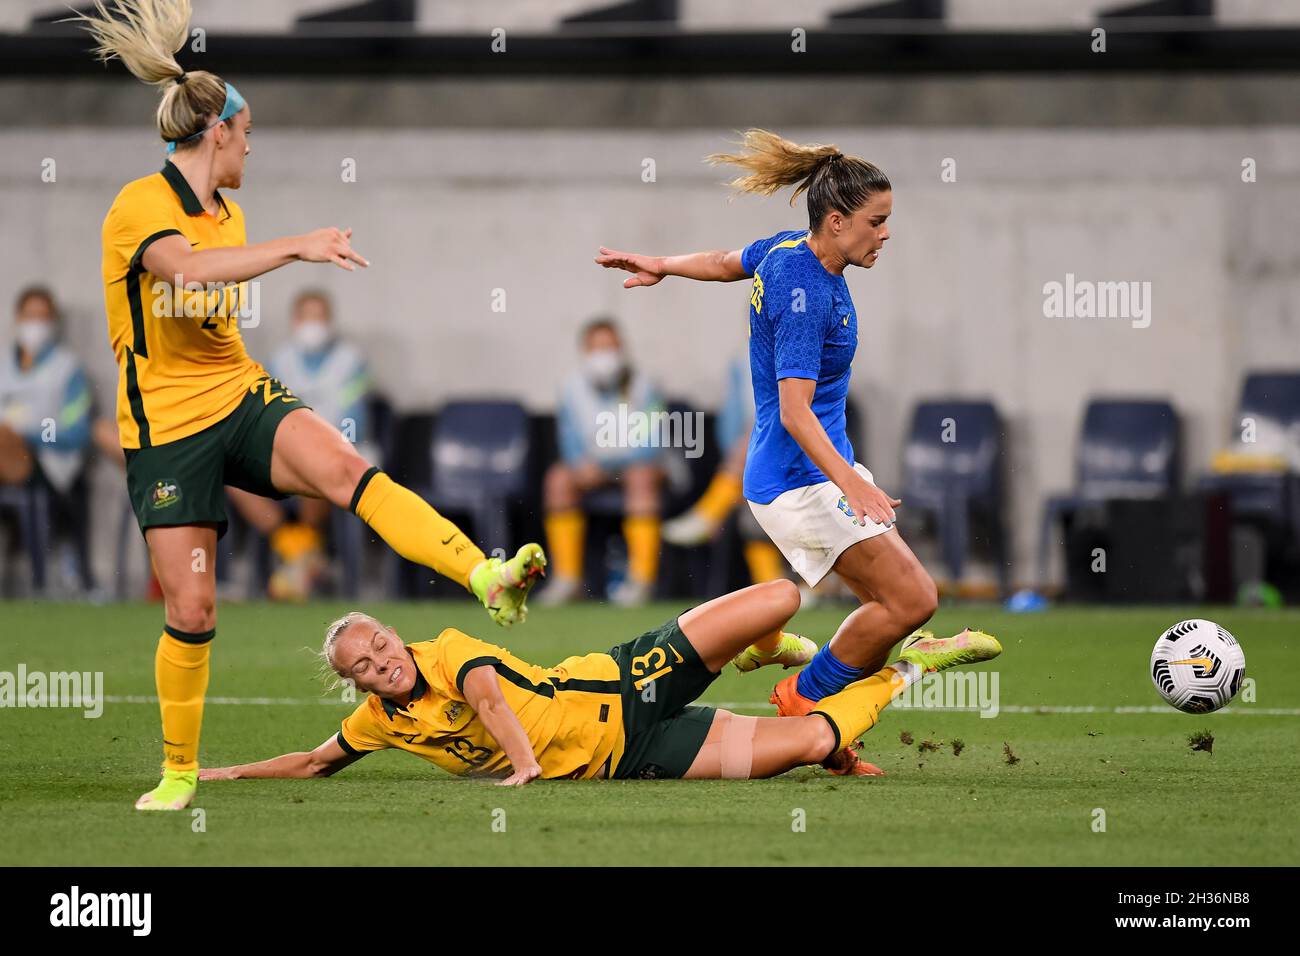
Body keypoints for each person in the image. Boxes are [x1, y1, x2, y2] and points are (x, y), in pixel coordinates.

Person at [75, 0, 545, 812]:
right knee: (192, 608)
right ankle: (180, 772)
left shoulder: (232, 214)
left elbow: (212, 300)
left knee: (350, 471)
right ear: (217, 132)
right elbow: (185, 272)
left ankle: (484, 573)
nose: (252, 146)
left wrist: (274, 252)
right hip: (165, 429)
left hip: (239, 395)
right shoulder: (139, 206)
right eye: (248, 133)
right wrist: (297, 246)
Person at [596, 129, 936, 776]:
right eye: (877, 221)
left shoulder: (785, 251)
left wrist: (664, 265)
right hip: (800, 478)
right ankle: (805, 698)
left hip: (817, 469)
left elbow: (727, 261)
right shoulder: (804, 291)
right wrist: (852, 484)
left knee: (899, 601)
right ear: (836, 222)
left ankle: (824, 730)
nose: (885, 234)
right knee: (910, 602)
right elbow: (793, 410)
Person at [198, 580, 1001, 785]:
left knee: (781, 597)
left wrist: (522, 765)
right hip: (638, 757)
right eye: (365, 667)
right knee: (816, 739)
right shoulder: (383, 721)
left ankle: (766, 648)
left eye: (380, 643)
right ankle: (911, 662)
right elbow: (313, 761)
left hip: (623, 682)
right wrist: (224, 771)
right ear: (358, 684)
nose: (383, 662)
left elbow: (485, 697)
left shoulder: (441, 648)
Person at [225, 289, 377, 599]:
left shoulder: (351, 362)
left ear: (330, 321)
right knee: (231, 473)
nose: (313, 325)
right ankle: (299, 550)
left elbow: (354, 422)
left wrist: (317, 443)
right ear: (295, 321)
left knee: (319, 463)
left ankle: (299, 553)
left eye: (320, 317)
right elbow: (262, 418)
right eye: (307, 317)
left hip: (340, 452)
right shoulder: (277, 362)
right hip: (286, 453)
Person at [540, 317, 665, 607]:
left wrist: (608, 466)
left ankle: (641, 581)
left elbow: (652, 442)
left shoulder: (646, 385)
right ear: (585, 351)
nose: (605, 355)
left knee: (641, 479)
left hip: (638, 467)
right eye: (598, 348)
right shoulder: (570, 388)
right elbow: (569, 439)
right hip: (591, 468)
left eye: (611, 347)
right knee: (558, 480)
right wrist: (580, 464)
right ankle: (567, 579)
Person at [0, 286, 95, 586]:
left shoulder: (68, 370)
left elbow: (75, 432)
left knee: (10, 437)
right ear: (18, 318)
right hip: (6, 459)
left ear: (53, 322)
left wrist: (31, 433)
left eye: (42, 317)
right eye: (30, 316)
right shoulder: (3, 367)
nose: (35, 324)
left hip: (49, 460)